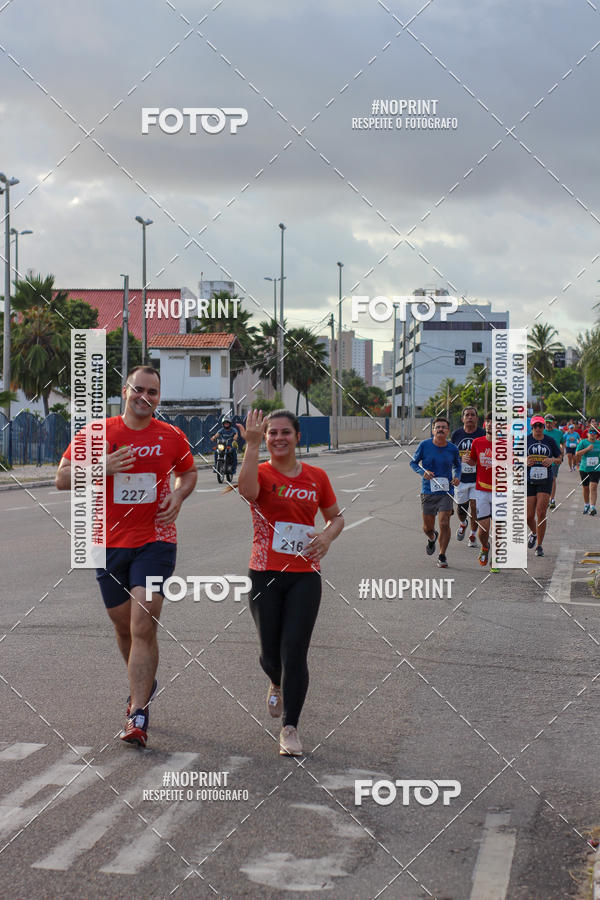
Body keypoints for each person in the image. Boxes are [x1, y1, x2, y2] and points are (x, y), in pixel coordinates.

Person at [55, 366, 198, 748]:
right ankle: (144, 683)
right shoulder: (99, 434)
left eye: (153, 392)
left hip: (156, 540)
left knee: (143, 621)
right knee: (124, 627)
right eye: (139, 389)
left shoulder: (171, 435)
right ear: (125, 390)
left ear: (158, 397)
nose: (145, 397)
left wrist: (179, 495)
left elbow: (189, 472)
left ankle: (138, 712)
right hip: (107, 544)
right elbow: (62, 477)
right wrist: (101, 468)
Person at [238, 408, 344, 757]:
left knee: (294, 652)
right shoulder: (261, 471)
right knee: (271, 655)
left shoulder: (316, 476)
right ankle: (274, 680)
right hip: (264, 574)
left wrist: (327, 538)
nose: (279, 438)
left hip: (304, 576)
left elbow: (336, 518)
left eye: (285, 433)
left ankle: (290, 727)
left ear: (298, 437)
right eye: (272, 433)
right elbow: (247, 490)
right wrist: (251, 447)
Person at [409, 417, 461, 569]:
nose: (440, 429)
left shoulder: (452, 448)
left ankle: (442, 554)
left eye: (443, 427)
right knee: (427, 528)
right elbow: (413, 462)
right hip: (428, 491)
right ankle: (432, 538)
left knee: (444, 522)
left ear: (447, 431)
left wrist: (457, 477)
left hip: (446, 491)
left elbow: (458, 466)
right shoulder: (424, 445)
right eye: (437, 427)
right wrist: (422, 472)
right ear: (433, 430)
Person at [465, 412, 498, 571]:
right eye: (489, 421)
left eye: (495, 421)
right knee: (483, 529)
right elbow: (473, 461)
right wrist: (468, 460)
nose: (491, 423)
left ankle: (497, 560)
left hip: (501, 492)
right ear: (485, 424)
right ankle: (485, 546)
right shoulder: (477, 442)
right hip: (482, 491)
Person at [526, 415, 561, 557]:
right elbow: (514, 456)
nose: (539, 429)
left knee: (541, 512)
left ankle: (539, 546)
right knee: (528, 516)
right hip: (529, 480)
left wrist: (552, 459)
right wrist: (524, 460)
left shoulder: (550, 441)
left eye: (541, 426)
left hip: (545, 480)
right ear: (532, 427)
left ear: (544, 427)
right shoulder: (526, 440)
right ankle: (534, 533)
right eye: (536, 426)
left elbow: (560, 458)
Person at [451, 407, 485, 547]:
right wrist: (459, 461)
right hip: (462, 478)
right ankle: (463, 523)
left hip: (478, 478)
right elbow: (451, 455)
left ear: (477, 418)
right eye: (467, 415)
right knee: (461, 509)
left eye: (472, 415)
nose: (470, 417)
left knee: (475, 507)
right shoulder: (456, 434)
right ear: (462, 418)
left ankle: (472, 534)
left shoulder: (482, 434)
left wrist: (476, 461)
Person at [575, 424, 600, 515]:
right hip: (584, 469)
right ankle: (587, 505)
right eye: (591, 433)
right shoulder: (583, 442)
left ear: (597, 435)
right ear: (588, 434)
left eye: (594, 433)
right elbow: (577, 454)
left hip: (596, 469)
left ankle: (592, 507)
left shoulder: (599, 443)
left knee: (593, 487)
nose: (592, 434)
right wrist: (587, 449)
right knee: (586, 488)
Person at [543, 415, 565, 510]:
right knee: (543, 479)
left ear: (554, 422)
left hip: (555, 458)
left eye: (550, 422)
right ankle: (544, 499)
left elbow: (562, 442)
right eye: (546, 422)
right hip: (542, 459)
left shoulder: (558, 433)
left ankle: (552, 499)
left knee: (553, 479)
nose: (548, 424)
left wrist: (562, 450)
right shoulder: (541, 431)